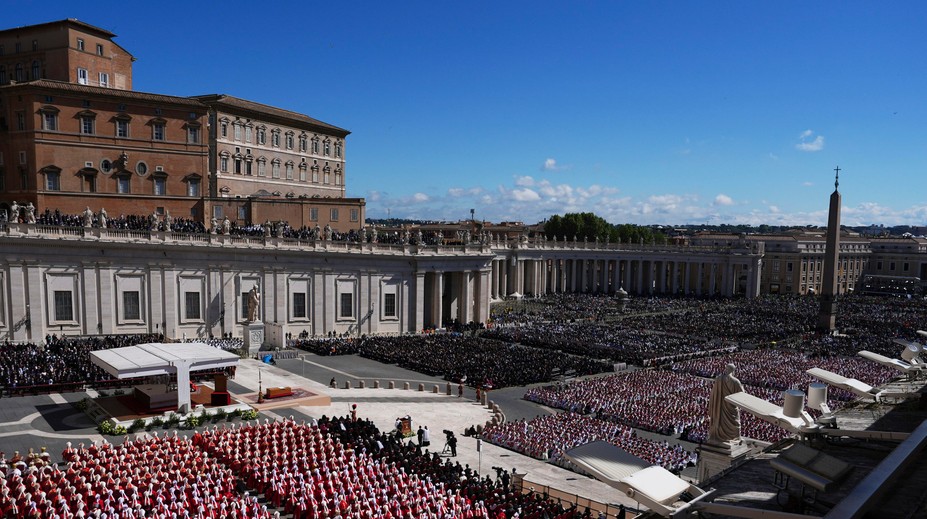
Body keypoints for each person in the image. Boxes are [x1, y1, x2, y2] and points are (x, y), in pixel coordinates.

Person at [707, 363, 746, 444]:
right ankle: (733, 437)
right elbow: (742, 395)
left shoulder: (719, 379)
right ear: (733, 370)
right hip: (730, 406)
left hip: (720, 405)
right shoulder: (735, 381)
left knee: (721, 421)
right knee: (735, 423)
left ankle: (721, 437)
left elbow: (713, 393)